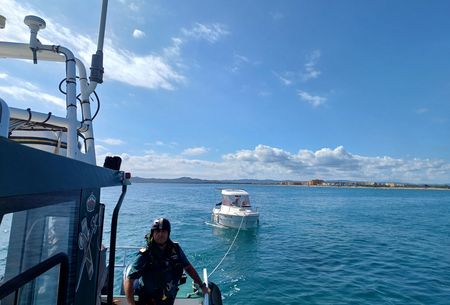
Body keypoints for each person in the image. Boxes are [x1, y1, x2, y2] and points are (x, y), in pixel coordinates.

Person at [124, 217, 208, 305]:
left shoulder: (175, 249)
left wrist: (202, 286)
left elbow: (188, 267)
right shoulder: (145, 255)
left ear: (168, 233)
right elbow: (129, 279)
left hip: (169, 298)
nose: (160, 234)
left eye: (164, 231)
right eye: (157, 231)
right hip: (149, 300)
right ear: (153, 234)